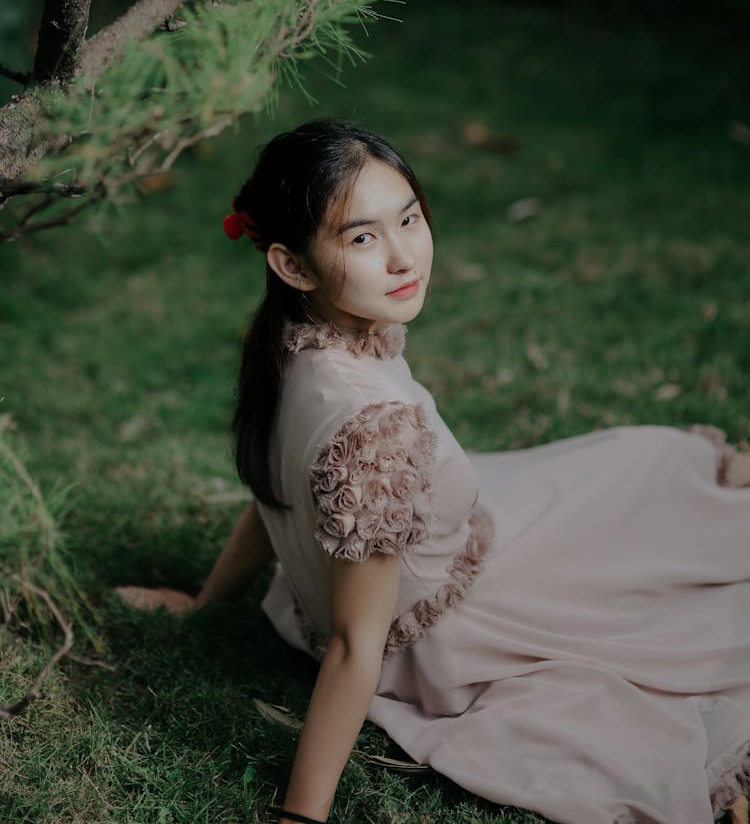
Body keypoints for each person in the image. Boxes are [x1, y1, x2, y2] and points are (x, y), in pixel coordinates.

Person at [117, 118, 750, 824]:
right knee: (685, 600)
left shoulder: (294, 338)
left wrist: (207, 601)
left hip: (450, 537)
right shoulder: (372, 430)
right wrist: (303, 812)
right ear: (293, 265)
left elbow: (272, 498)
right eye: (363, 237)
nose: (403, 256)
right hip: (454, 627)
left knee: (643, 463)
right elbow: (359, 642)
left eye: (410, 218)